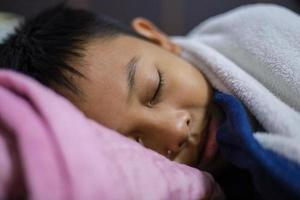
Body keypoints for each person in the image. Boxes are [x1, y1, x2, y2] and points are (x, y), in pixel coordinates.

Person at [1, 4, 299, 199]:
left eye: (156, 89)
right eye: (137, 142)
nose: (175, 130)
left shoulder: (253, 39)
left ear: (157, 38)